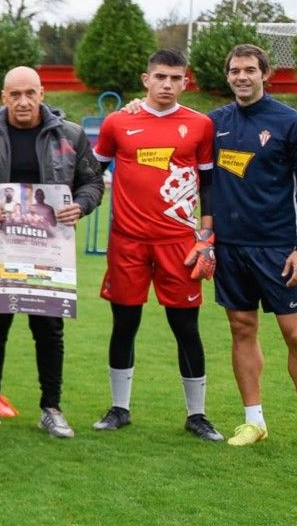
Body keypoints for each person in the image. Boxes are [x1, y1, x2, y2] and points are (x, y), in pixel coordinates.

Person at [207, 45, 297, 454]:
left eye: (250, 70)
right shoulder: (213, 124)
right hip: (230, 249)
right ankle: (254, 422)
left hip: (280, 249)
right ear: (227, 75)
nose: (242, 77)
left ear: (266, 74)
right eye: (235, 70)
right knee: (241, 329)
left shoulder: (292, 123)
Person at [0, 66, 103, 439]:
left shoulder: (69, 134)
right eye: (14, 95)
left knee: (49, 330)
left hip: (47, 251)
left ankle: (51, 408)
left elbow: (92, 181)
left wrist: (82, 205)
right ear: (3, 97)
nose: (22, 102)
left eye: (29, 93)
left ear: (42, 93)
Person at [90, 49, 222, 441]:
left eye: (175, 78)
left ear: (186, 81)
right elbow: (92, 171)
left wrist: (207, 234)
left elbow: (209, 182)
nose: (167, 84)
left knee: (186, 327)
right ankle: (119, 408)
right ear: (146, 79)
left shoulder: (199, 125)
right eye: (160, 76)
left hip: (178, 243)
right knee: (124, 324)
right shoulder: (118, 122)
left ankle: (197, 415)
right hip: (127, 242)